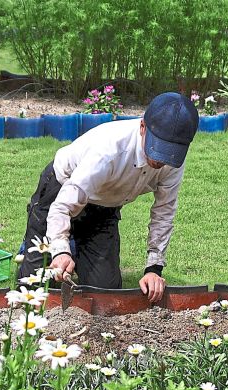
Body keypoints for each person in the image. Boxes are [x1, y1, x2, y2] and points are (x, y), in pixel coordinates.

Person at [16, 92, 198, 302]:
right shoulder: (109, 151)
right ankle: (48, 245)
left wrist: (154, 269)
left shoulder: (173, 160)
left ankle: (76, 246)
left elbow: (164, 213)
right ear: (142, 127)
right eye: (156, 148)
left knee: (105, 293)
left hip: (103, 209)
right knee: (33, 288)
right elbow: (62, 206)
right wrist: (60, 252)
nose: (160, 160)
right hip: (60, 190)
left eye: (169, 153)